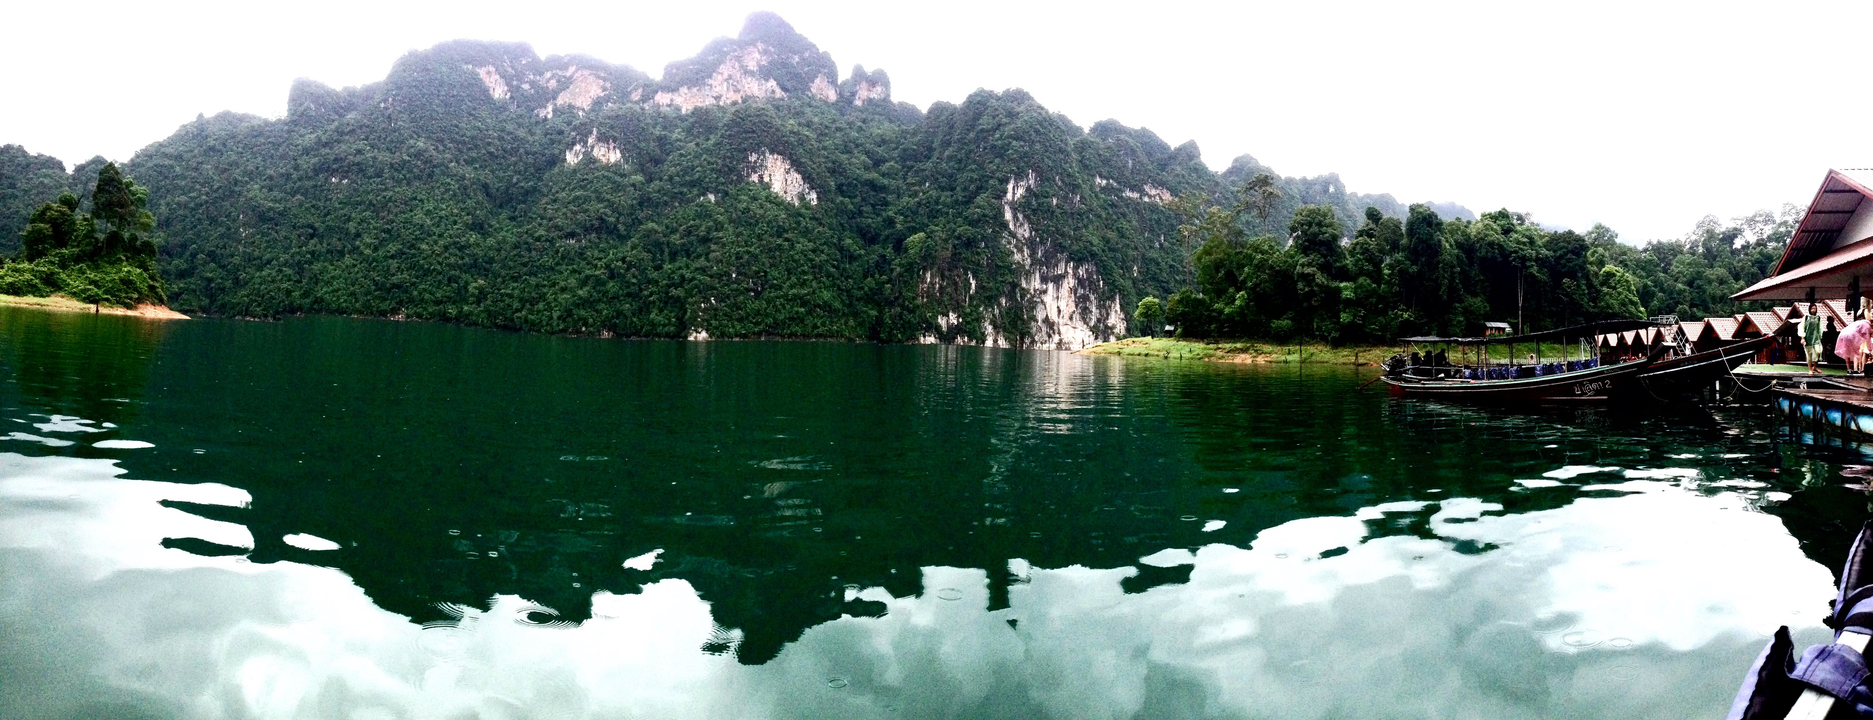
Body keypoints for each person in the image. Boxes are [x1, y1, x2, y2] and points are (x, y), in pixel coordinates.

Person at [1838, 310, 1873, 376]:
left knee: (1847, 351)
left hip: (1843, 334)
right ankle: (1860, 369)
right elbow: (1868, 339)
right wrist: (1870, 350)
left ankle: (1849, 369)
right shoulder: (1867, 325)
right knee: (1857, 351)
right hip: (1851, 336)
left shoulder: (1859, 322)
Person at [1804, 302, 1826, 374]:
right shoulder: (1806, 317)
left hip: (1816, 337)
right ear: (1809, 309)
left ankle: (1815, 367)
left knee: (1818, 352)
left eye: (1815, 309)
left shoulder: (1818, 317)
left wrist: (1820, 336)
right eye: (1812, 308)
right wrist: (1802, 337)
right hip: (1808, 338)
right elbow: (1802, 327)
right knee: (1809, 354)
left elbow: (1820, 327)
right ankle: (1810, 369)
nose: (1814, 310)